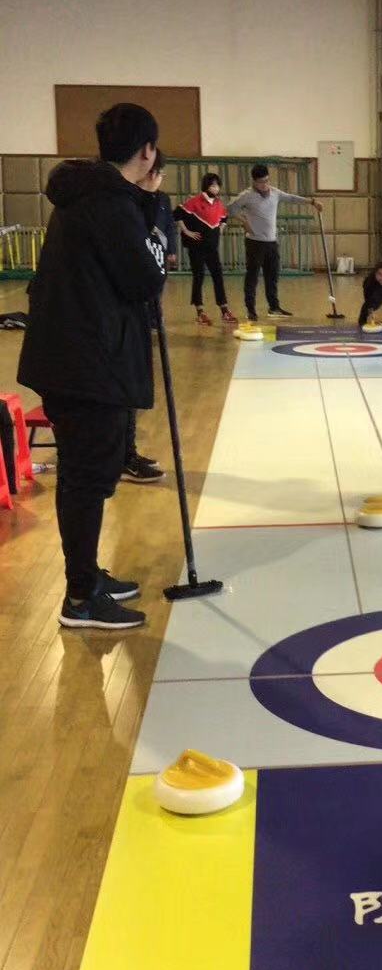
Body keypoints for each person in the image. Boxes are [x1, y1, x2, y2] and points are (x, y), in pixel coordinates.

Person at [17, 103, 167, 630]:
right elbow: (146, 280)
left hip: (74, 356)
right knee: (86, 478)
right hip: (88, 362)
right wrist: (155, 211)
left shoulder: (91, 195)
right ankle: (81, 597)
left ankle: (88, 577)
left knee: (88, 474)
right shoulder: (109, 204)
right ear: (147, 151)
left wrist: (144, 209)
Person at [121, 150, 175, 485]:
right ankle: (121, 457)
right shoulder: (123, 208)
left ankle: (126, 453)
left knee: (129, 393)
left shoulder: (143, 203)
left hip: (133, 314)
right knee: (123, 392)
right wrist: (150, 198)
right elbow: (144, 260)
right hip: (113, 321)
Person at [228, 164, 321, 321]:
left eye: (266, 181)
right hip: (255, 243)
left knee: (272, 276)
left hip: (271, 242)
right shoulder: (247, 195)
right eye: (261, 182)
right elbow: (230, 208)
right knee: (252, 276)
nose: (264, 185)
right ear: (254, 182)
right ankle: (250, 309)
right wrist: (243, 221)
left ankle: (274, 307)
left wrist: (311, 201)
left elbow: (291, 198)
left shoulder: (275, 193)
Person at [174, 172, 237, 328]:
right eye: (213, 185)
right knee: (199, 276)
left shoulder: (218, 203)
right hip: (196, 247)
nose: (216, 188)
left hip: (211, 248)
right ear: (206, 186)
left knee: (218, 276)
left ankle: (224, 309)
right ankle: (200, 312)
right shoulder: (194, 201)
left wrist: (221, 228)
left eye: (218, 185)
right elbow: (177, 214)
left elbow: (224, 218)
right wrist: (187, 232)